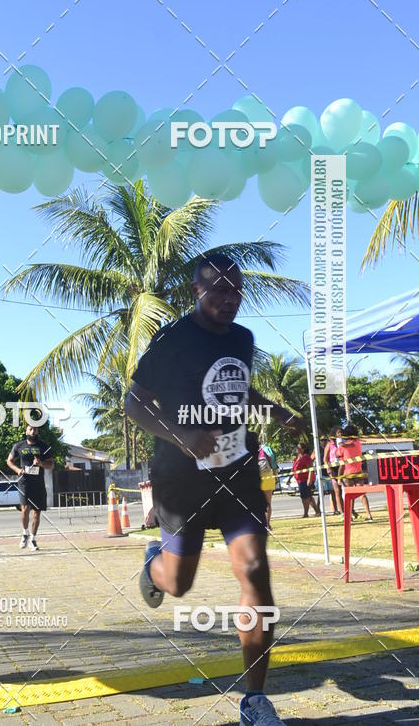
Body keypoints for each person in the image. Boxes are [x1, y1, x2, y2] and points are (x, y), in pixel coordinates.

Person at [124, 253, 303, 726]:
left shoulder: (242, 339)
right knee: (178, 583)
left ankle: (255, 699)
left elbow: (238, 391)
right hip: (181, 479)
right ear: (196, 292)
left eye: (236, 290)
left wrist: (279, 412)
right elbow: (135, 402)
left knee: (255, 570)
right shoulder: (173, 339)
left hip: (237, 471)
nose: (230, 299)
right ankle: (154, 563)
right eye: (219, 290)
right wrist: (182, 436)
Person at [7, 421, 54, 550]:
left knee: (37, 513)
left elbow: (51, 465)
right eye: (30, 429)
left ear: (38, 432)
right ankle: (25, 533)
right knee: (25, 509)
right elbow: (9, 461)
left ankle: (32, 539)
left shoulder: (44, 447)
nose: (33, 432)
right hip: (24, 482)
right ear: (26, 431)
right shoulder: (18, 446)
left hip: (38, 483)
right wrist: (17, 470)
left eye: (35, 429)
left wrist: (41, 463)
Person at [337, 424, 372, 521]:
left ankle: (349, 516)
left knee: (349, 496)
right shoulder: (358, 443)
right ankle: (369, 515)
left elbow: (340, 460)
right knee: (362, 494)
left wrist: (339, 477)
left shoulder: (342, 446)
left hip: (347, 473)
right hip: (358, 471)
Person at [292, 444, 320, 518]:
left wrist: (309, 479)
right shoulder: (297, 458)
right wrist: (289, 479)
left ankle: (306, 513)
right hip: (300, 480)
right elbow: (294, 469)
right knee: (309, 497)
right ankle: (317, 511)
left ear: (303, 449)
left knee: (305, 497)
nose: (296, 449)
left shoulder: (306, 457)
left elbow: (311, 469)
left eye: (298, 447)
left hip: (305, 480)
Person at [258, 441, 279, 530]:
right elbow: (274, 465)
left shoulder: (249, 450)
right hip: (268, 477)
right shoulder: (267, 449)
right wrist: (276, 476)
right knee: (268, 503)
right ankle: (267, 525)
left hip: (257, 478)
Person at [323, 430, 343, 515]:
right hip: (333, 468)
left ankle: (351, 510)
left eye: (341, 432)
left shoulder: (342, 442)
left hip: (343, 467)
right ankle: (342, 512)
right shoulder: (329, 444)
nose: (340, 434)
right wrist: (328, 468)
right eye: (338, 432)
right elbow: (325, 459)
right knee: (337, 491)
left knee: (346, 489)